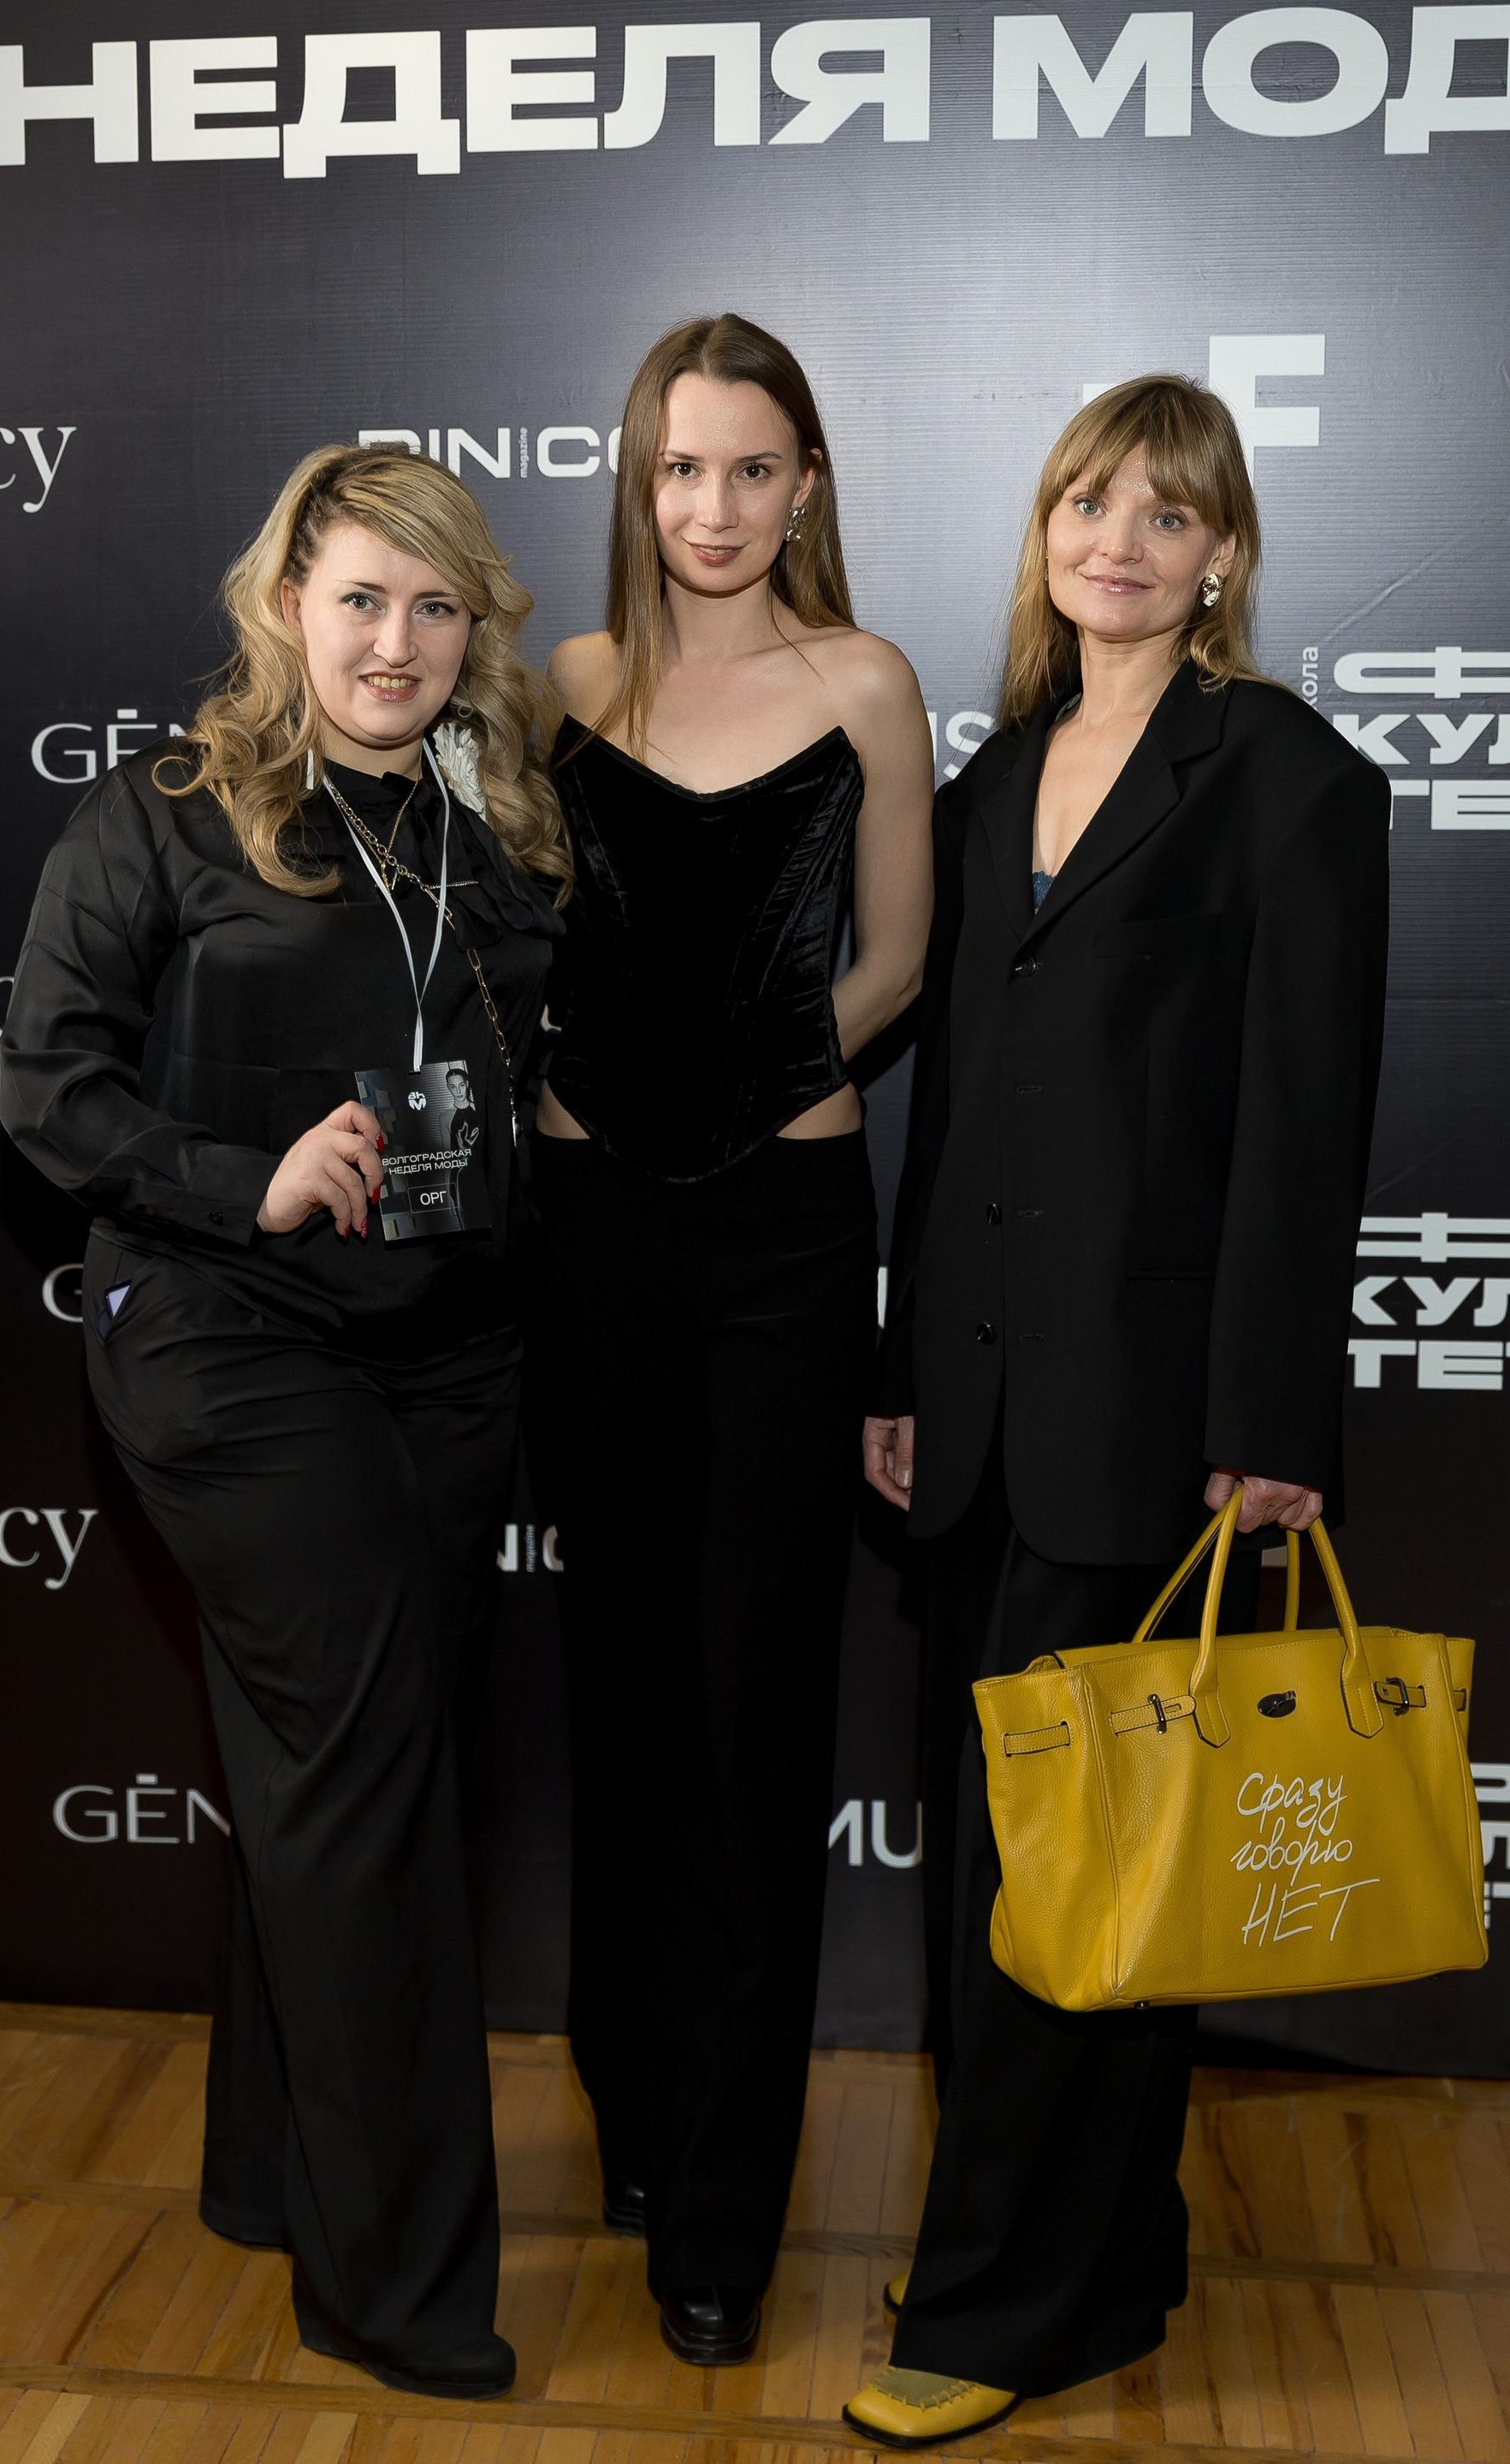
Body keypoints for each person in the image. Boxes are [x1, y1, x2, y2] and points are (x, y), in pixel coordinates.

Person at [844, 374, 1389, 2445]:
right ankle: (1104, 2258)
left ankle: (1001, 2310)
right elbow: (956, 1111)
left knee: (1080, 1883)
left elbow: (1304, 1132)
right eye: (1092, 503)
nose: (1123, 544)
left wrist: (1275, 1424)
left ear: (1225, 551)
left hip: (1155, 1430)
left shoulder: (1290, 780)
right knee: (1033, 1865)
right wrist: (900, 1365)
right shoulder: (995, 775)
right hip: (976, 1419)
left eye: (1172, 514)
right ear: (1047, 530)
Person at [0, 444, 568, 2399]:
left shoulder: (497, 830)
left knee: (337, 1775)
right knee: (365, 1786)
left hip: (449, 1352)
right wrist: (244, 1179)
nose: (395, 642)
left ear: (473, 625)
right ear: (285, 605)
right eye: (359, 600)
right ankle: (398, 2286)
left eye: (434, 606)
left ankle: (269, 2174)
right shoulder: (163, 814)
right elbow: (46, 1089)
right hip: (229, 1341)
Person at [532, 312, 935, 2366]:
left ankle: (723, 2208)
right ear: (639, 477)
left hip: (784, 1228)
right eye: (680, 467)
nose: (713, 506)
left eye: (751, 468)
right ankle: (630, 2092)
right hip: (591, 1227)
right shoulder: (566, 686)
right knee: (621, 1684)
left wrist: (739, 1086)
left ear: (805, 485)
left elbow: (899, 960)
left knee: (754, 1706)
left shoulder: (865, 682)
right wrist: (616, 1106)